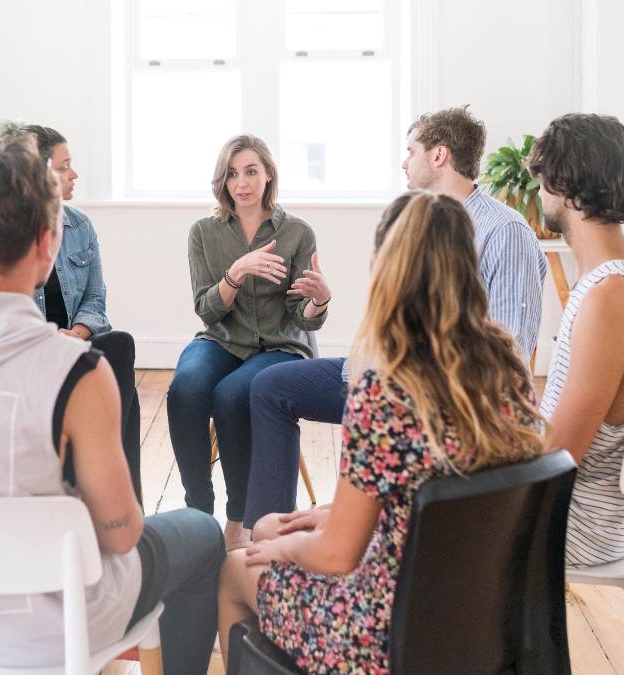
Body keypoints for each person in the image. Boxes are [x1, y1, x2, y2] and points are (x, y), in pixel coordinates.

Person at [0, 146, 224, 672]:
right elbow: (120, 535)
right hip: (53, 623)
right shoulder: (74, 370)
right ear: (47, 243)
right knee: (204, 533)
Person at [216, 192, 545, 673]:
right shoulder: (508, 371)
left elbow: (336, 555)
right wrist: (325, 515)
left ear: (384, 267)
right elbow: (438, 482)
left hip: (383, 632)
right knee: (270, 525)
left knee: (237, 566)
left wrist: (283, 548)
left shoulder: (387, 389)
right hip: (476, 609)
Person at [242, 106, 547, 533]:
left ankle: (315, 536)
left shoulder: (504, 231)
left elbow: (510, 351)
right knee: (270, 387)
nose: (404, 161)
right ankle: (266, 530)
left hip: (430, 396)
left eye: (411, 150)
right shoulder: (418, 220)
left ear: (439, 156)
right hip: (383, 375)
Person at [529, 113, 624, 567]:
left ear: (564, 185)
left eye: (541, 182)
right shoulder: (617, 283)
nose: (539, 195)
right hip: (578, 510)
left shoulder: (610, 300)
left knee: (404, 513)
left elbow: (559, 454)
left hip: (573, 524)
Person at [167, 133, 331, 551]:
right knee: (185, 388)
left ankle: (237, 520)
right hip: (221, 337)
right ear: (222, 181)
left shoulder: (297, 233)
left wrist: (319, 300)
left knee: (232, 395)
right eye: (233, 174)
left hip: (278, 344)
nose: (242, 182)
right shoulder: (204, 233)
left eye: (251, 171)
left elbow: (302, 316)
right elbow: (207, 310)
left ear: (269, 175)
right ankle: (197, 510)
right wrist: (235, 273)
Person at [23, 123, 143, 502]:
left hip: (78, 342)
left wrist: (75, 335)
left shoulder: (80, 226)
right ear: (39, 175)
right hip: (35, 352)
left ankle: (123, 495)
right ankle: (114, 498)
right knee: (116, 359)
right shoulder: (12, 232)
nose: (74, 174)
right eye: (64, 166)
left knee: (118, 346)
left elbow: (95, 298)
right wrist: (54, 339)